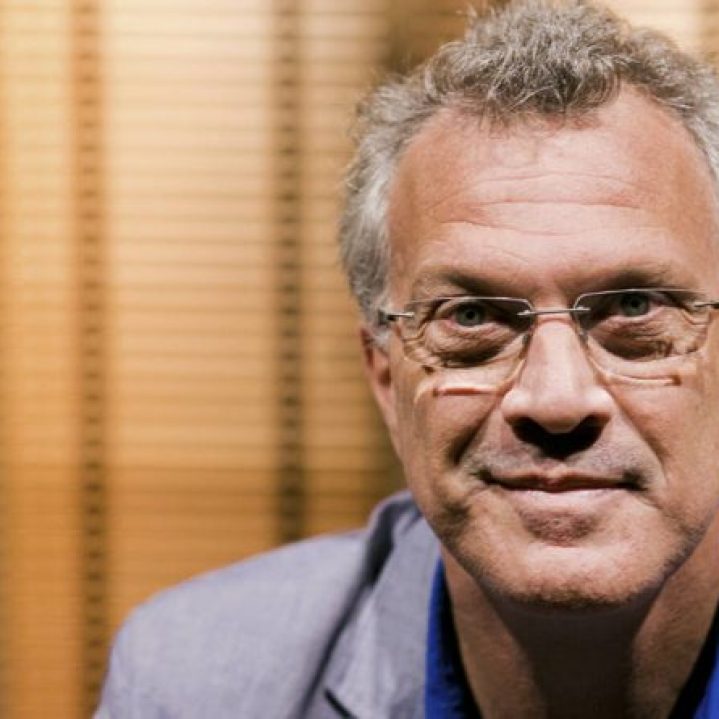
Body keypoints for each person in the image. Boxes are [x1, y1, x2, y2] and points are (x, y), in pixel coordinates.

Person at [95, 1, 719, 716]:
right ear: (385, 375)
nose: (555, 399)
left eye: (634, 309)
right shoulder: (193, 683)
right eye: (471, 317)